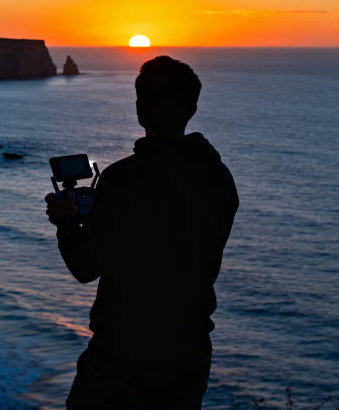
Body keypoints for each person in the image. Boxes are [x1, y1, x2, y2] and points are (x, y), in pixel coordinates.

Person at [45, 55, 239, 410]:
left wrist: (67, 221)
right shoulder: (220, 179)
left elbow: (85, 267)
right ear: (193, 108)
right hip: (189, 352)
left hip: (123, 357)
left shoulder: (123, 179)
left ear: (139, 110)